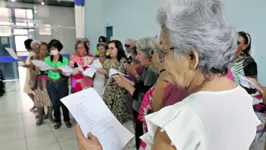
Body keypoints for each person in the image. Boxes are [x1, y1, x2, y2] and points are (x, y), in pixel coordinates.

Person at [76, 0, 260, 149]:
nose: (161, 61)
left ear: (191, 57)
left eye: (164, 52)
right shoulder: (242, 97)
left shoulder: (178, 123)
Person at [115, 37, 159, 149]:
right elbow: (141, 87)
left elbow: (144, 98)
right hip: (138, 111)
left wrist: (126, 85)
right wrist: (128, 81)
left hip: (145, 115)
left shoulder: (152, 72)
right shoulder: (147, 68)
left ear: (150, 54)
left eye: (139, 53)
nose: (137, 57)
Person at [231, 32, 266, 150]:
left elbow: (253, 86)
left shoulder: (248, 62)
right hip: (232, 99)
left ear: (245, 46)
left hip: (249, 101)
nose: (232, 45)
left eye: (237, 43)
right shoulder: (226, 60)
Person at [96, 40, 130, 124]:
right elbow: (106, 75)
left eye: (112, 48)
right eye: (108, 48)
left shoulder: (123, 61)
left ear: (118, 49)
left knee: (117, 119)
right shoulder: (107, 61)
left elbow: (118, 76)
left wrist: (106, 73)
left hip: (118, 93)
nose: (109, 51)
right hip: (108, 92)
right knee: (108, 116)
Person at [45, 39, 72, 129]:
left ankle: (67, 120)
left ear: (59, 49)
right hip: (51, 83)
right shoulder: (47, 59)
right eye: (51, 48)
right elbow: (44, 70)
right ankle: (57, 121)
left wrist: (60, 69)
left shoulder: (64, 59)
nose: (52, 49)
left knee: (64, 102)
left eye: (54, 47)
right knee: (55, 103)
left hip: (61, 83)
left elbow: (67, 71)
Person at [33, 43, 54, 125]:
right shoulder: (36, 58)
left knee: (50, 100)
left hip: (49, 81)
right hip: (39, 82)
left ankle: (50, 116)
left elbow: (54, 70)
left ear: (48, 50)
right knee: (39, 100)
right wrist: (36, 69)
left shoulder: (51, 59)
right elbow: (33, 71)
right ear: (39, 50)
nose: (43, 51)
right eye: (42, 49)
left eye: (45, 49)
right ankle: (41, 117)